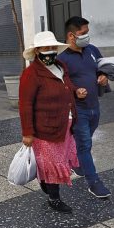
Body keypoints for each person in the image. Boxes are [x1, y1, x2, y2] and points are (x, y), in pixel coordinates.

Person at [19, 31, 87, 213]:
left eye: (52, 48)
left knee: (55, 162)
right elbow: (25, 104)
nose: (50, 51)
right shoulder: (31, 73)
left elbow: (66, 85)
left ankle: (45, 182)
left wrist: (75, 91)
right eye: (45, 48)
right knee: (51, 164)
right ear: (37, 51)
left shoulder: (60, 66)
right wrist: (27, 132)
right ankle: (54, 198)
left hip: (65, 124)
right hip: (45, 129)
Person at [58, 16, 111, 198]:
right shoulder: (62, 59)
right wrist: (74, 92)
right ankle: (94, 182)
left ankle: (77, 162)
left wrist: (104, 75)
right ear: (71, 36)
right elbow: (59, 85)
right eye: (83, 33)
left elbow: (103, 67)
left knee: (85, 139)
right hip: (77, 109)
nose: (87, 37)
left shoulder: (92, 50)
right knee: (85, 144)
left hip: (94, 106)